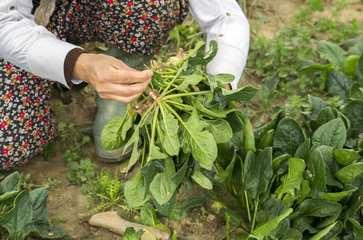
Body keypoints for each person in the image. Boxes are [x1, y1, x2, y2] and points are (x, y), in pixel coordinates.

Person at [0, 0, 250, 170]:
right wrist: (77, 64)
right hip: (29, 17)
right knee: (10, 144)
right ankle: (55, 67)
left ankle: (123, 73)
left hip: (100, 9)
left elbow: (224, 17)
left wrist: (217, 88)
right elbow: (4, 22)